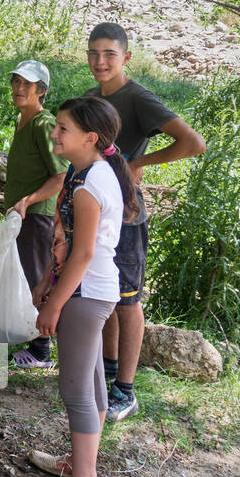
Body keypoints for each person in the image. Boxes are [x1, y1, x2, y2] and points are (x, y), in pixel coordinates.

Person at [82, 23, 205, 421]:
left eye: (109, 54)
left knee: (128, 301)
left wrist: (139, 162)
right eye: (93, 53)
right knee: (103, 294)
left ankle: (126, 391)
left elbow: (193, 143)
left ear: (126, 58)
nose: (100, 62)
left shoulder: (138, 98)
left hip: (128, 218)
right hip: (94, 212)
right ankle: (109, 372)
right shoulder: (89, 99)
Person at [26, 96, 137, 477]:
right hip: (90, 291)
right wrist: (44, 284)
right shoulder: (87, 170)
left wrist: (54, 303)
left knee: (77, 393)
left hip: (85, 294)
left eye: (63, 128)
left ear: (90, 138)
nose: (55, 133)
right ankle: (79, 465)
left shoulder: (91, 185)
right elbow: (67, 242)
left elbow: (84, 253)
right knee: (93, 386)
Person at [3, 60, 66, 369]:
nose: (18, 88)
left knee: (36, 276)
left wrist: (29, 200)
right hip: (22, 212)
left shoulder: (44, 124)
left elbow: (60, 176)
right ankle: (31, 335)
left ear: (41, 91)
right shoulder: (21, 119)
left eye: (26, 85)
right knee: (24, 275)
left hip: (38, 214)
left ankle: (42, 348)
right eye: (16, 82)